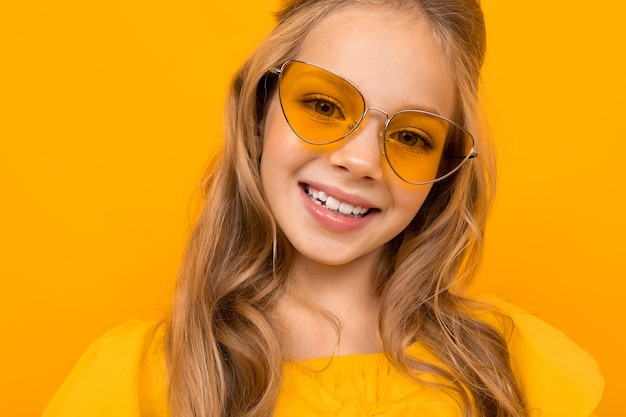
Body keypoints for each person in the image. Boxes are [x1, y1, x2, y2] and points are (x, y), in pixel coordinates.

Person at [42, 0, 603, 416]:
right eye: (322, 104)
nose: (361, 161)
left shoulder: (523, 370)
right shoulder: (133, 382)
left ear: (443, 170)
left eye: (411, 136)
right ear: (260, 108)